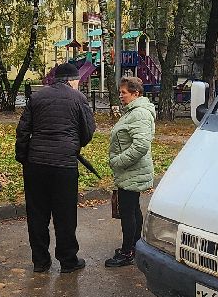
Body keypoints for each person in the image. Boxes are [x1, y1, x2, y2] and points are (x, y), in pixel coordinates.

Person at [16, 61, 95, 272]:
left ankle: (40, 262)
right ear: (73, 80)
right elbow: (88, 131)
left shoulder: (37, 96)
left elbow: (23, 131)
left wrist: (24, 158)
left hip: (36, 165)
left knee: (37, 215)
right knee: (65, 215)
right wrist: (72, 145)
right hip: (64, 166)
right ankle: (68, 261)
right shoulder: (79, 98)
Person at [105, 75, 156, 268]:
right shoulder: (133, 111)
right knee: (132, 209)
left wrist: (117, 161)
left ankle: (127, 252)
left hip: (131, 170)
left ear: (136, 93)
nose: (120, 95)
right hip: (131, 170)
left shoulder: (139, 113)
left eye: (124, 92)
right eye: (120, 92)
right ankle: (134, 246)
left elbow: (141, 145)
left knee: (128, 212)